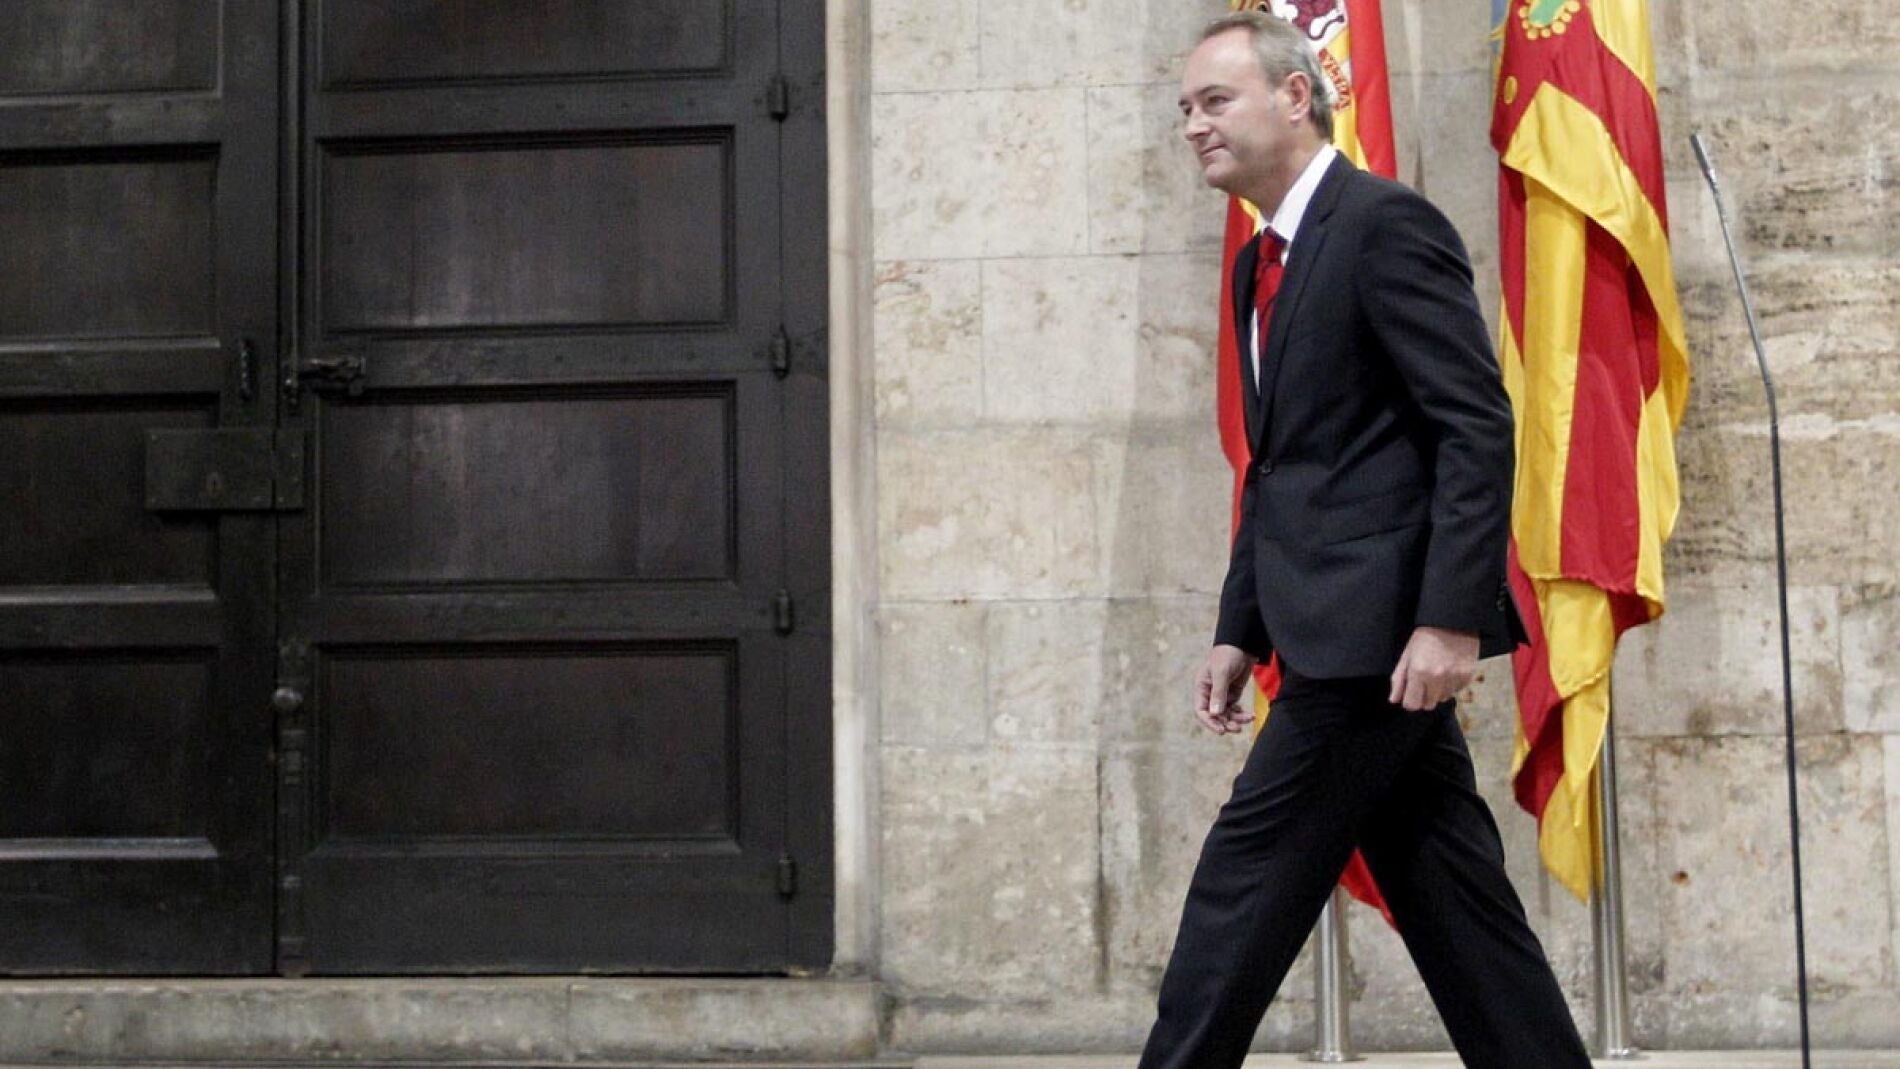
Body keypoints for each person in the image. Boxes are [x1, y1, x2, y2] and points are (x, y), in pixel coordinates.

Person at [1139, 12, 1595, 1069]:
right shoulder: (1264, 255)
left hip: (1375, 639)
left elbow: (1473, 426)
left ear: (1296, 96)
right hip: (1332, 630)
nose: (1193, 128)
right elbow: (1286, 465)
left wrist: (1446, 617)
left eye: (1214, 102)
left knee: (1234, 899)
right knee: (1458, 910)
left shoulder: (1385, 224)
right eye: (1185, 110)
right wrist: (1235, 627)